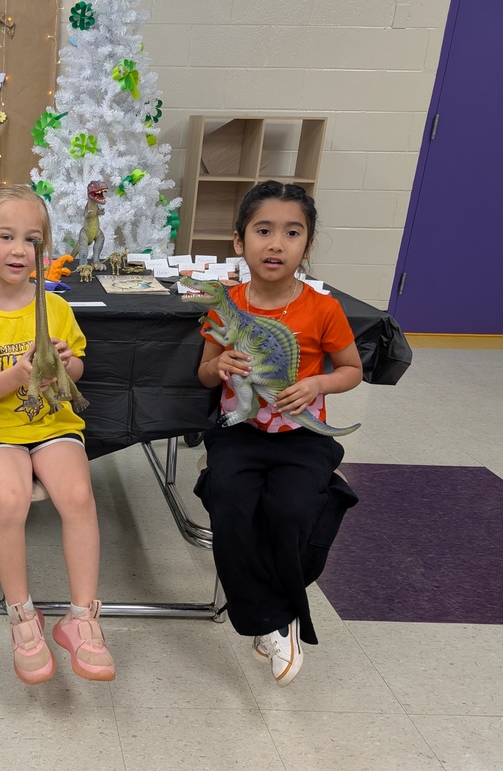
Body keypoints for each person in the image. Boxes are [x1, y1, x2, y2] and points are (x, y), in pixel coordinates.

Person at [193, 180, 361, 687]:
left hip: (300, 435)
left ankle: (276, 611)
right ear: (239, 240)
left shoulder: (322, 309)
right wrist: (219, 362)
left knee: (291, 511)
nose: (276, 243)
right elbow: (204, 373)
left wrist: (316, 383)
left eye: (292, 233)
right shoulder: (225, 306)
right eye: (263, 230)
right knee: (230, 503)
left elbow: (351, 369)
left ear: (306, 247)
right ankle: (273, 620)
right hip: (239, 431)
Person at [0, 185, 115, 685]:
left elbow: (80, 369)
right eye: (7, 237)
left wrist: (71, 363)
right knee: (10, 498)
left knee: (78, 495)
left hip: (53, 424)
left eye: (32, 239)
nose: (19, 250)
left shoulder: (57, 307)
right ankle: (23, 616)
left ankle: (82, 617)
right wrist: (18, 375)